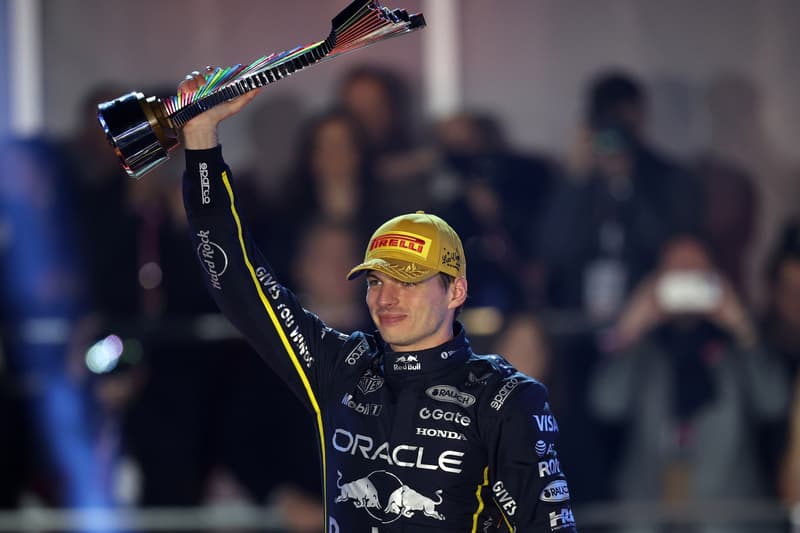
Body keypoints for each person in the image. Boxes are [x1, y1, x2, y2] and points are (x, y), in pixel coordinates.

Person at [175, 70, 578, 532]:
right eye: (374, 281)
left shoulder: (506, 397)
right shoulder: (342, 366)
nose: (386, 297)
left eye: (407, 280)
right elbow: (237, 282)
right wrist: (201, 140)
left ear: (456, 291)